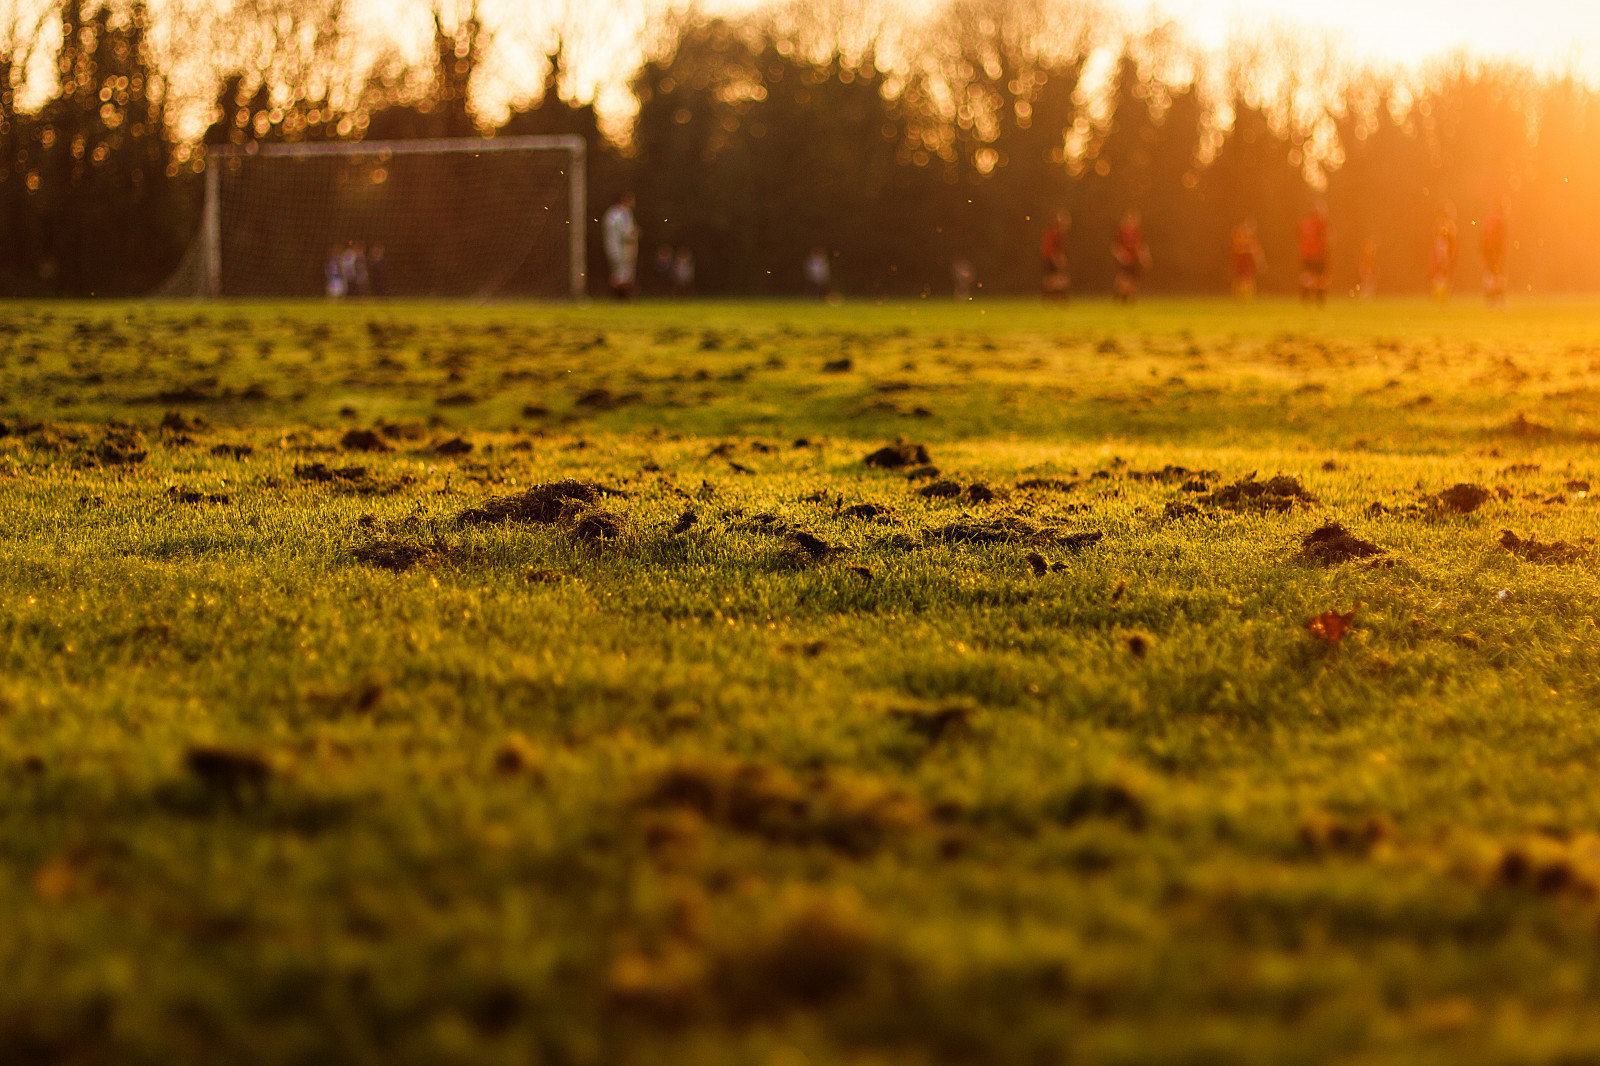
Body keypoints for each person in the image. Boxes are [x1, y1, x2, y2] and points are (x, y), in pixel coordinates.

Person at [602, 193, 640, 300]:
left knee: (618, 273)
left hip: (612, 247)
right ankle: (621, 297)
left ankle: (619, 297)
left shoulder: (612, 213)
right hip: (621, 249)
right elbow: (624, 234)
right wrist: (634, 234)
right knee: (622, 274)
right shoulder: (622, 214)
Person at [1110, 208, 1150, 304]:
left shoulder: (1138, 231)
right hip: (1124, 259)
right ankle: (1119, 295)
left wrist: (1145, 257)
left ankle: (1128, 297)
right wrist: (1122, 255)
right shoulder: (1121, 231)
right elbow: (1115, 245)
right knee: (1123, 278)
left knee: (1133, 280)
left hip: (1134, 258)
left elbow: (1141, 246)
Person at [1298, 201, 1331, 306]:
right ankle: (1319, 297)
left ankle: (1306, 296)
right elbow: (1326, 238)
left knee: (1307, 275)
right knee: (1320, 277)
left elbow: (1299, 237)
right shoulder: (1321, 224)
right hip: (1318, 254)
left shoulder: (1304, 223)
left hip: (1305, 254)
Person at [1481, 199, 1509, 308]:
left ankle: (1490, 299)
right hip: (1496, 252)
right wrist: (1499, 253)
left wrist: (1484, 252)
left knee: (1490, 274)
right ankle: (1498, 300)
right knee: (1499, 276)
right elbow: (1500, 239)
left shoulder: (1489, 220)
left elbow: (1484, 237)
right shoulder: (1500, 221)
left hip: (1488, 251)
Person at [1429, 203, 1459, 304]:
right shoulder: (1448, 225)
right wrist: (1448, 255)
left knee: (1440, 276)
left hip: (1442, 252)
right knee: (1443, 275)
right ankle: (1441, 297)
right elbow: (1448, 242)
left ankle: (1440, 297)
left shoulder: (1439, 224)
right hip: (1444, 253)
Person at [1230, 219, 1264, 302]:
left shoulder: (1252, 239)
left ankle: (1249, 297)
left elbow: (1256, 250)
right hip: (1240, 261)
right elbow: (1236, 248)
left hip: (1247, 261)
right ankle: (1238, 296)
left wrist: (1260, 262)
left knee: (1249, 279)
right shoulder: (1239, 236)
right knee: (1238, 279)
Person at [1040, 210, 1070, 301]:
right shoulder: (1055, 231)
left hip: (1049, 256)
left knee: (1053, 277)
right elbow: (1052, 245)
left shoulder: (1054, 230)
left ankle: (1053, 296)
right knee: (1055, 277)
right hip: (1050, 257)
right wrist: (1056, 257)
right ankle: (1057, 295)